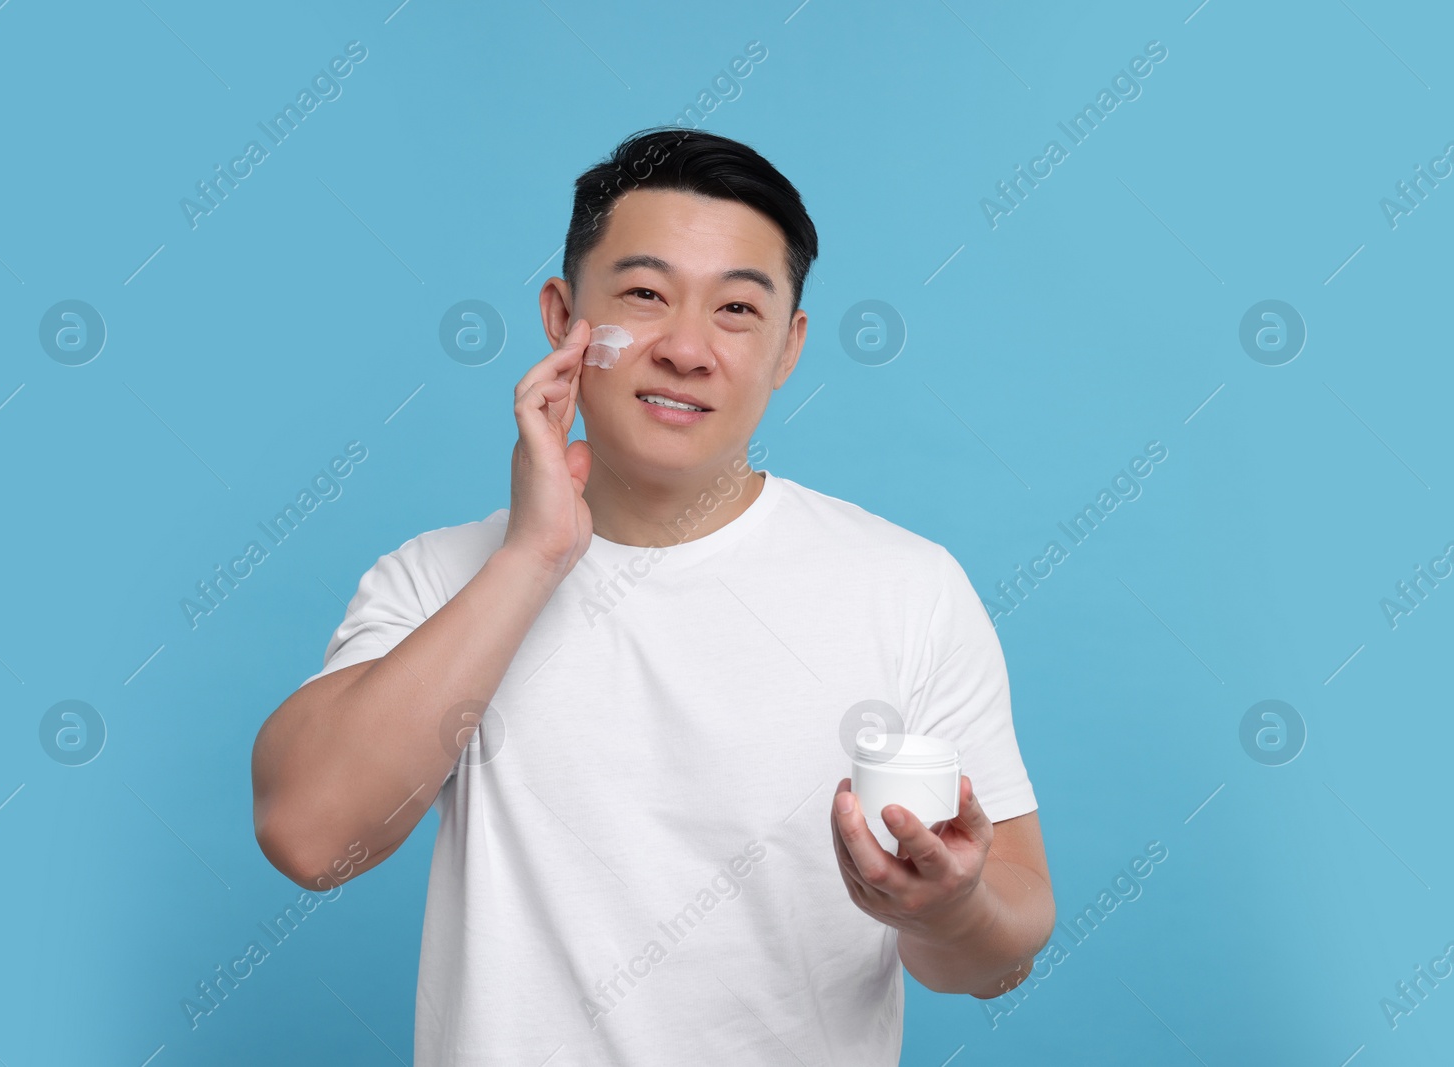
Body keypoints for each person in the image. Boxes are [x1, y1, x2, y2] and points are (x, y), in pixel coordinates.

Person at [251, 126, 1054, 1064]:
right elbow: (308, 836)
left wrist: (951, 910)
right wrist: (533, 556)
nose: (686, 348)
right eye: (644, 293)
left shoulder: (907, 587)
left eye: (738, 310)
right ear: (562, 318)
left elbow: (1001, 955)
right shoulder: (439, 576)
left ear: (789, 347)